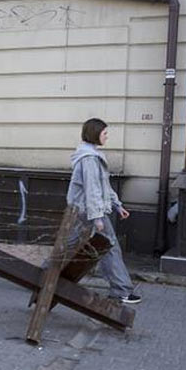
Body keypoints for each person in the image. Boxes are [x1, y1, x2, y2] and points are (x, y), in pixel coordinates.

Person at [67, 118, 141, 304]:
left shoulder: (92, 155)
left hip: (84, 211)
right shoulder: (90, 159)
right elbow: (92, 190)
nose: (107, 137)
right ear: (95, 134)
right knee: (109, 246)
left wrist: (117, 205)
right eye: (105, 133)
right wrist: (98, 217)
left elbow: (103, 187)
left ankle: (44, 274)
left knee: (69, 247)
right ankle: (121, 290)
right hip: (89, 211)